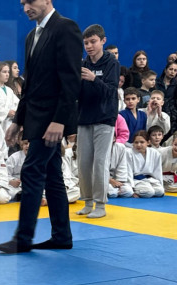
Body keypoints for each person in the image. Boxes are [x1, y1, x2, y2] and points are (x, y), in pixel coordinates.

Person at [0, 0, 82, 253]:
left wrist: (60, 120)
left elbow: (71, 80)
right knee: (53, 177)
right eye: (22, 4)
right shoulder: (32, 36)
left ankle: (23, 238)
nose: (26, 8)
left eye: (30, 1)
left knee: (31, 171)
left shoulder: (65, 28)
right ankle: (62, 236)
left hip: (52, 119)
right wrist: (17, 121)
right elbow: (29, 84)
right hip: (35, 116)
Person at [75, 24, 119, 219]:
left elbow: (111, 92)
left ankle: (100, 205)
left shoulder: (112, 63)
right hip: (84, 118)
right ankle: (87, 202)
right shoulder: (83, 64)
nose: (89, 46)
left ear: (103, 41)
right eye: (86, 43)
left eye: (93, 42)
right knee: (84, 163)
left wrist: (94, 79)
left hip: (104, 119)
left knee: (100, 162)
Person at [127, 130, 164, 198]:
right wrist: (131, 188)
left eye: (142, 142)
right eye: (136, 142)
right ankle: (137, 190)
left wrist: (161, 184)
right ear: (133, 143)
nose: (138, 145)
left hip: (150, 179)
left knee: (160, 191)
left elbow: (158, 170)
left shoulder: (155, 153)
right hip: (136, 180)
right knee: (149, 192)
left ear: (148, 142)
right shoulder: (129, 153)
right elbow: (128, 171)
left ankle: (148, 188)